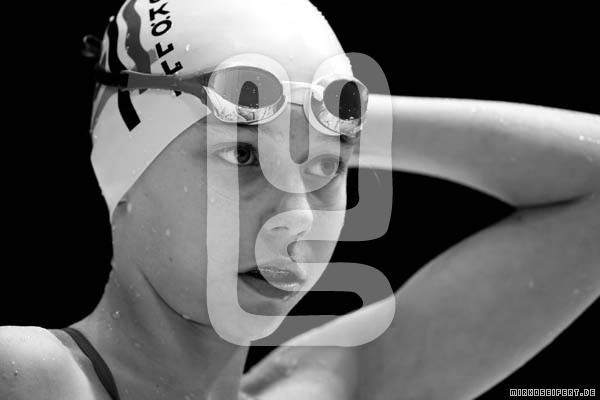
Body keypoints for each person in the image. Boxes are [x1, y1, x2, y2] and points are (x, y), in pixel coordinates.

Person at [1, 0, 599, 399]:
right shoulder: (27, 375)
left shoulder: (326, 389)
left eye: (326, 168)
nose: (296, 217)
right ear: (122, 172)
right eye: (243, 157)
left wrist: (332, 117)